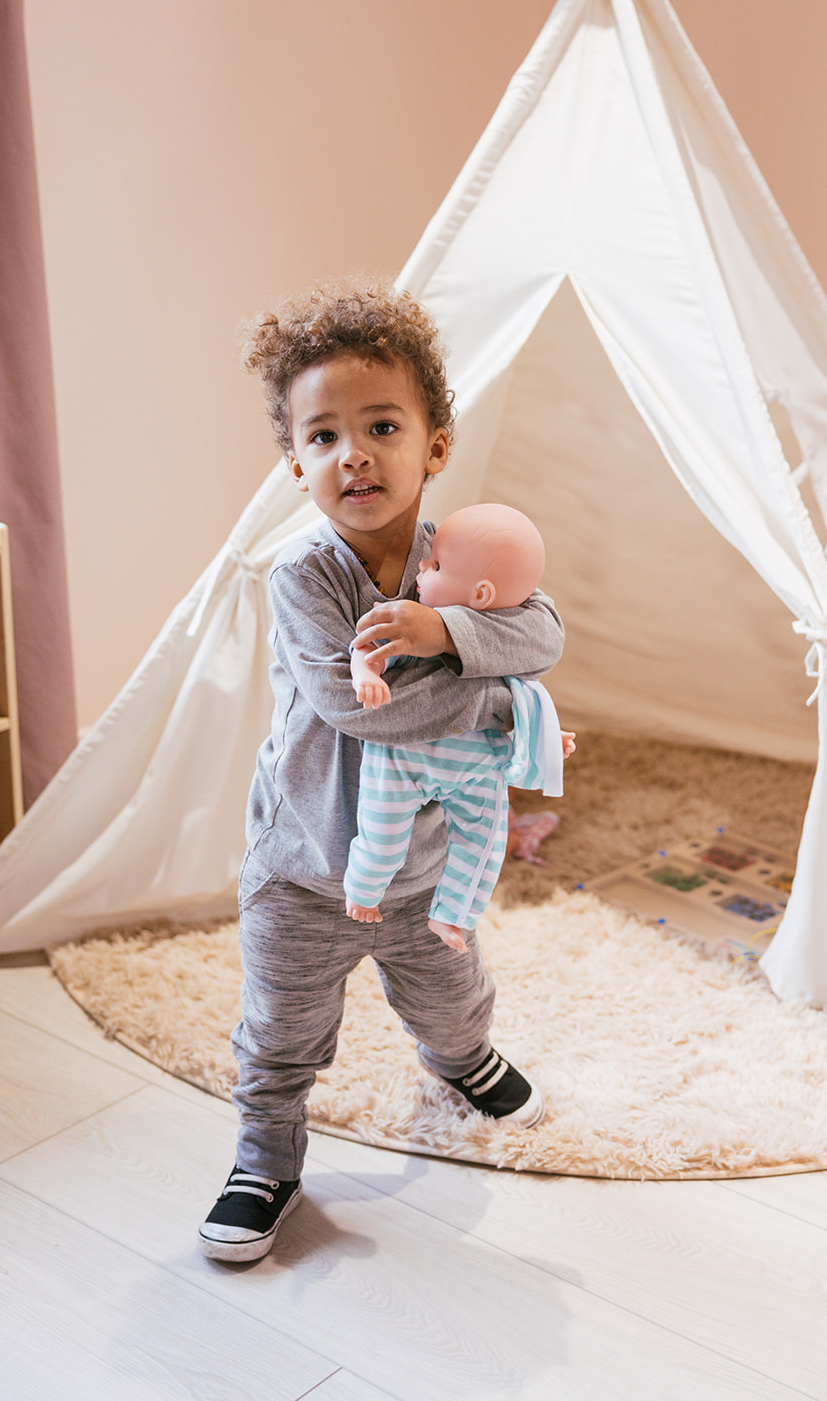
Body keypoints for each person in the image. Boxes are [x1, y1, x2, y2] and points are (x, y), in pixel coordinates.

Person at [199, 281, 565, 1264]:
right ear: (294, 464)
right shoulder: (305, 579)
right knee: (279, 1025)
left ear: (432, 446)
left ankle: (460, 1059)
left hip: (427, 862)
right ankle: (263, 1155)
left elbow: (542, 627)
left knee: (450, 995)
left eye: (380, 425)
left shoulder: (462, 557)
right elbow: (366, 704)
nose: (351, 452)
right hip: (306, 862)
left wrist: (448, 625)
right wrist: (497, 704)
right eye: (321, 436)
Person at [344, 502, 576, 952]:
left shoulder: (504, 640)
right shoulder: (411, 616)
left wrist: (546, 733)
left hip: (477, 766)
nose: (421, 569)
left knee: (485, 842)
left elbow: (525, 696)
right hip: (403, 760)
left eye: (434, 565)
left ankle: (454, 916)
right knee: (382, 835)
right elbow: (367, 644)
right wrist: (366, 673)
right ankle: (363, 891)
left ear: (483, 595)